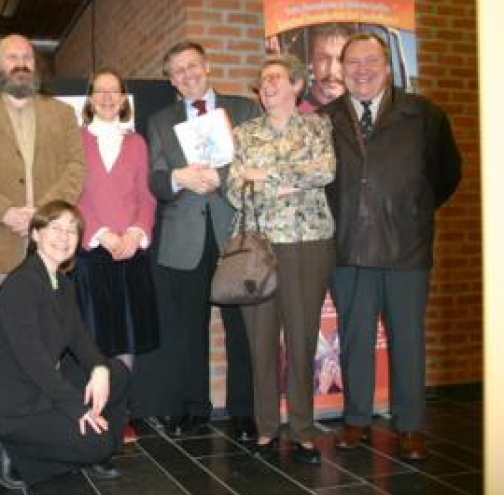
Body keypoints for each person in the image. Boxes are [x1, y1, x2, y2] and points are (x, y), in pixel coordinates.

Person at [319, 32, 461, 461]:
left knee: (408, 338)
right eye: (353, 62)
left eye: (371, 61)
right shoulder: (324, 118)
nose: (362, 70)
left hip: (406, 247)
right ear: (342, 69)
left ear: (387, 66)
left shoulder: (424, 115)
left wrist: (412, 210)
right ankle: (357, 419)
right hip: (348, 248)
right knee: (355, 338)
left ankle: (410, 425)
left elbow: (446, 174)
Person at [0, 33, 85, 457]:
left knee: (47, 341)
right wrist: (4, 211)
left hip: (48, 250)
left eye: (27, 56)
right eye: (11, 56)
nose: (21, 62)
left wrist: (43, 216)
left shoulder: (62, 113)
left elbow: (75, 167)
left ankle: (39, 420)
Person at [143, 40, 260, 439]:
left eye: (192, 66)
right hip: (184, 239)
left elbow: (258, 164)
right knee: (188, 331)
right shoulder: (160, 121)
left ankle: (244, 411)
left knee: (241, 328)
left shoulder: (244, 110)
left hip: (234, 235)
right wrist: (179, 178)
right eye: (177, 71)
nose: (187, 75)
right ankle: (195, 409)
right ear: (171, 80)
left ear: (206, 66)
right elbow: (156, 179)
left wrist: (219, 178)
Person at [0, 200, 130, 489]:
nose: (64, 237)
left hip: (41, 394)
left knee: (116, 371)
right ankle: (11, 450)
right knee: (98, 444)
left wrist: (99, 369)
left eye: (72, 231)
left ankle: (84, 445)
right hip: (12, 407)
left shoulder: (62, 284)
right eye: (55, 228)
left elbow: (82, 342)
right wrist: (77, 409)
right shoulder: (21, 284)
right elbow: (34, 363)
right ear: (36, 234)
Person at [227, 54, 336, 464]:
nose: (267, 85)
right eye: (263, 80)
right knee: (261, 342)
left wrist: (265, 176)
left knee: (303, 338)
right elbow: (234, 189)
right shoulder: (244, 133)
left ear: (296, 84)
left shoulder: (317, 126)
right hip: (258, 247)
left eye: (275, 78)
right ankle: (267, 428)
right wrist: (289, 177)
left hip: (308, 244)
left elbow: (324, 171)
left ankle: (304, 429)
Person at [74, 69, 158, 424]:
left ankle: (119, 414)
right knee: (94, 338)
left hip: (130, 254)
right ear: (90, 98)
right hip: (91, 253)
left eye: (114, 91)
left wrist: (135, 234)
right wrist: (101, 234)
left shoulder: (137, 143)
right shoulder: (74, 140)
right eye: (100, 91)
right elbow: (72, 195)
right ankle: (95, 413)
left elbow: (146, 197)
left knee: (126, 338)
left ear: (124, 98)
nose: (107, 98)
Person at [299, 24, 354, 113]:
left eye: (341, 59)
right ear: (311, 60)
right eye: (322, 59)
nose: (332, 70)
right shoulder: (297, 112)